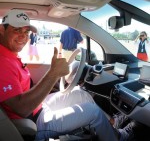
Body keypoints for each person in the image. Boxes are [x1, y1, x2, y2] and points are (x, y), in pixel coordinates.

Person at [0, 9, 120, 141]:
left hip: (38, 108)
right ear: (2, 29)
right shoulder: (2, 62)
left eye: (26, 31)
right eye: (17, 30)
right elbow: (21, 108)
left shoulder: (10, 55)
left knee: (80, 93)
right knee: (93, 112)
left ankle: (111, 125)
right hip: (32, 122)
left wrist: (54, 74)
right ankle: (118, 138)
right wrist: (53, 73)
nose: (23, 36)